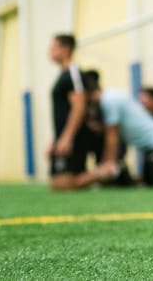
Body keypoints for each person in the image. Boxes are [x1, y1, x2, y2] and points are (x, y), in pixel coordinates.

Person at [47, 34, 104, 191]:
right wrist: (55, 139)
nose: (49, 51)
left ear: (66, 49)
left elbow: (79, 107)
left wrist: (67, 137)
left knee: (63, 184)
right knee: (56, 183)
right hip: (64, 135)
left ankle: (106, 171)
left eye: (53, 47)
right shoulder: (63, 75)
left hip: (76, 136)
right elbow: (62, 113)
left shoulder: (73, 73)